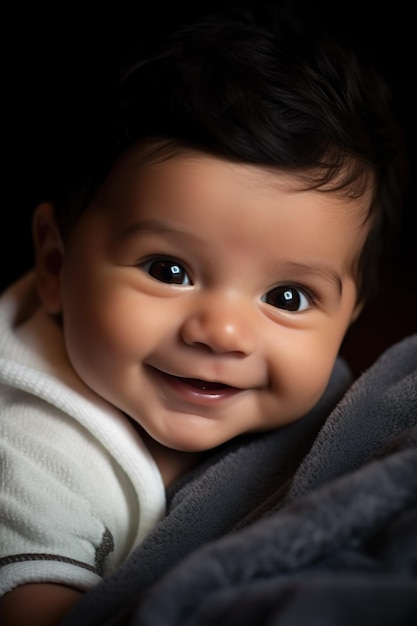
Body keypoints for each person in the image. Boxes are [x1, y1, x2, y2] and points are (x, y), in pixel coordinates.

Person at [0, 3, 407, 624]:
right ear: (56, 266)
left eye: (287, 298)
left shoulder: (335, 418)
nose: (222, 332)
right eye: (169, 271)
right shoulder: (30, 452)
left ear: (351, 316)